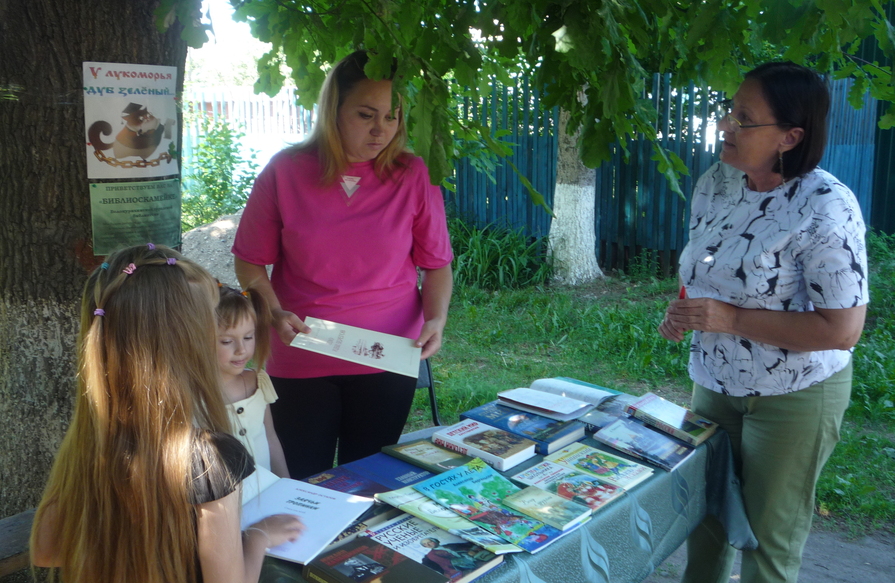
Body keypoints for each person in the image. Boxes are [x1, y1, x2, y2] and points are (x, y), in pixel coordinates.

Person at [658, 62, 868, 583]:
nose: (726, 125)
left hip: (793, 394)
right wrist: (686, 308)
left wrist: (728, 318)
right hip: (714, 381)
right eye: (729, 111)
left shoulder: (826, 207)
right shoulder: (718, 183)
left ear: (789, 137)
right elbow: (708, 267)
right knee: (703, 518)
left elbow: (841, 331)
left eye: (744, 118)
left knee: (768, 539)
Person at [232, 50, 454, 479]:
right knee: (302, 478)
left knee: (368, 480)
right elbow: (250, 261)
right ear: (333, 110)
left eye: (392, 117)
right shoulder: (286, 171)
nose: (381, 130)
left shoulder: (413, 173)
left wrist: (437, 319)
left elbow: (437, 265)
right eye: (366, 115)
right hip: (303, 352)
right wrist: (273, 311)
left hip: (388, 355)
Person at [30, 244, 303, 583]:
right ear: (187, 341)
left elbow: (45, 550)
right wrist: (258, 536)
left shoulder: (90, 441)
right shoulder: (210, 458)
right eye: (211, 320)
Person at [216, 284, 289, 477]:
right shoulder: (189, 394)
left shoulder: (257, 381)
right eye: (226, 341)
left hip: (268, 493)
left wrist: (286, 483)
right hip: (223, 501)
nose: (241, 349)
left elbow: (270, 437)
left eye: (248, 337)